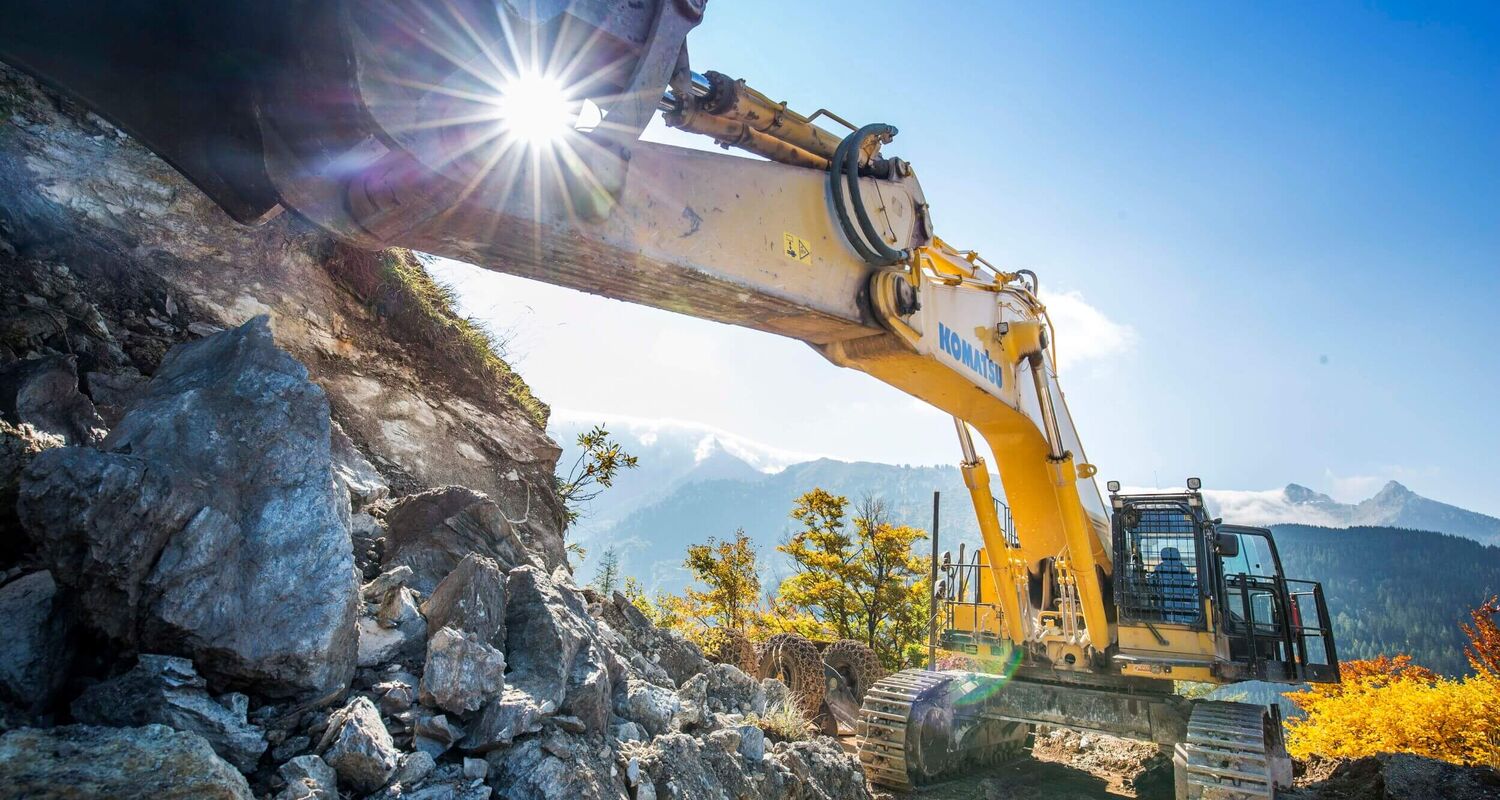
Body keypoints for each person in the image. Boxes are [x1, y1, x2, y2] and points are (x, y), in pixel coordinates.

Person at [1148, 546, 1199, 624]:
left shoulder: (1159, 568)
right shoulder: (1182, 568)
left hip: (1163, 602)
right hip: (1179, 601)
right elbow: (1189, 583)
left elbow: (1153, 585)